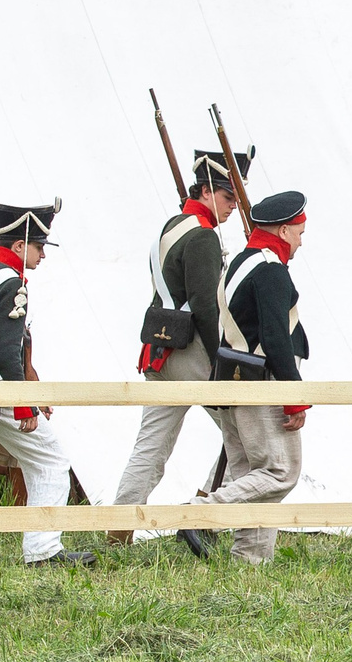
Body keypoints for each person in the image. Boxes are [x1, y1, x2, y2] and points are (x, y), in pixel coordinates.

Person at [109, 145, 252, 556]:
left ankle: (119, 530)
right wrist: (222, 359)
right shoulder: (203, 236)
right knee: (242, 434)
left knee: (150, 447)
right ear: (207, 191)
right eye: (228, 198)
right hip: (194, 354)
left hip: (161, 351)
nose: (231, 208)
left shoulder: (172, 226)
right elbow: (206, 307)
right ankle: (203, 515)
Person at [0, 201, 87, 567]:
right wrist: (24, 403)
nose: (42, 255)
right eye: (39, 247)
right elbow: (5, 352)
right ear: (21, 245)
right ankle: (42, 550)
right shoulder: (12, 284)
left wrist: (32, 390)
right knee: (51, 462)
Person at [206, 190, 310, 564]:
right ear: (283, 231)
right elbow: (275, 337)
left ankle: (249, 561)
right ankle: (202, 512)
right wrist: (294, 397)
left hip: (233, 382)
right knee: (280, 472)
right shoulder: (270, 269)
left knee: (252, 477)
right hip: (263, 383)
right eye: (298, 231)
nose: (301, 239)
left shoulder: (239, 262)